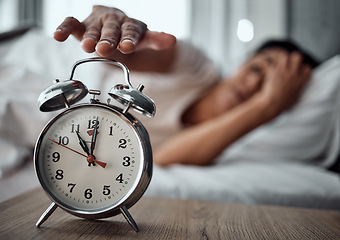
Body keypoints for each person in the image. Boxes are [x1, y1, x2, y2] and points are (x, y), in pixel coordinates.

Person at [54, 5, 313, 166]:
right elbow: (123, 54)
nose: (255, 82)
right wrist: (113, 26)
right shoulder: (196, 64)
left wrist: (268, 105)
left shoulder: (231, 141)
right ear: (241, 64)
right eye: (257, 68)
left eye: (270, 84)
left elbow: (165, 157)